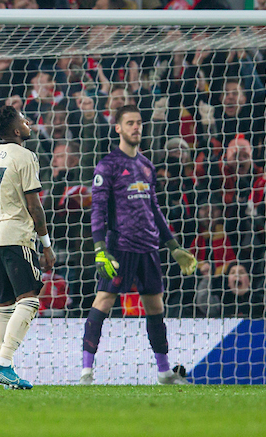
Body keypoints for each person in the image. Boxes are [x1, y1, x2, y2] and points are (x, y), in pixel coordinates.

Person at [81, 104, 197, 385]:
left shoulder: (146, 165)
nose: (136, 127)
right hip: (120, 245)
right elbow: (97, 210)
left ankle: (164, 372)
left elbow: (154, 209)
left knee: (156, 307)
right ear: (118, 127)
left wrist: (172, 246)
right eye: (130, 123)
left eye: (139, 123)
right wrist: (99, 248)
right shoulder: (107, 165)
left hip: (149, 247)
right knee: (104, 301)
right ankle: (86, 372)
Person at [0, 105, 55, 390]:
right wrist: (46, 245)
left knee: (3, 305)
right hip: (16, 235)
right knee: (30, 298)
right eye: (23, 120)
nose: (28, 122)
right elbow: (34, 205)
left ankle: (5, 368)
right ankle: (2, 363)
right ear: (15, 131)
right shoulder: (26, 156)